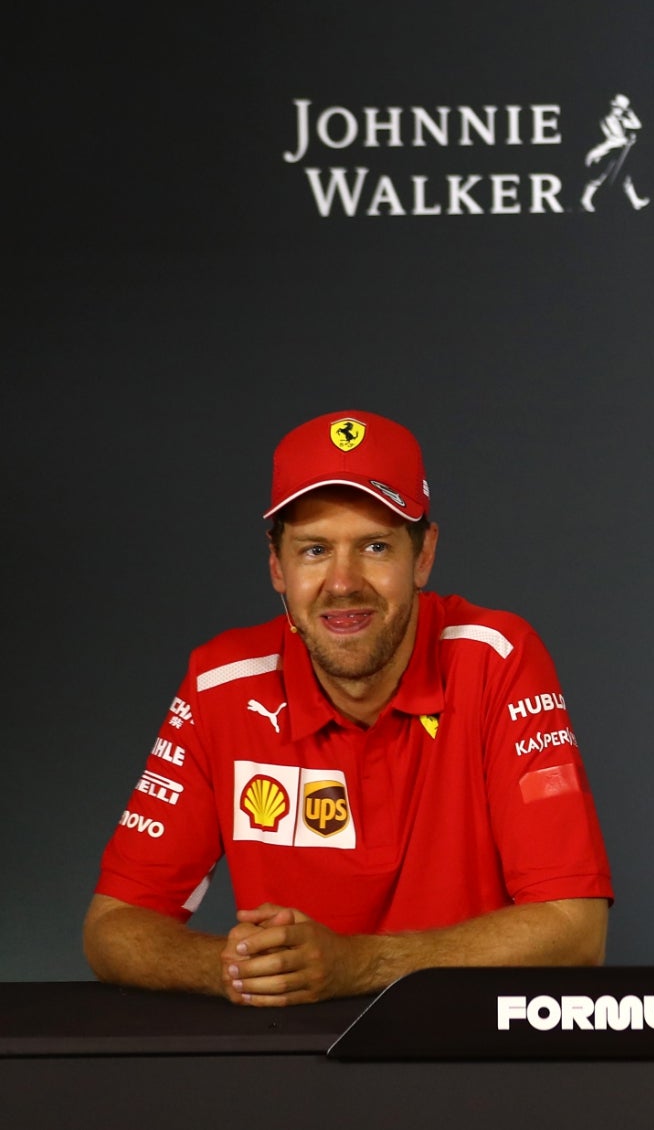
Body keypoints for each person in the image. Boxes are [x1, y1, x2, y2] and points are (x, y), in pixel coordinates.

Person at [85, 411, 612, 1005]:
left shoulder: (497, 657)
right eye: (314, 549)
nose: (342, 583)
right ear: (277, 566)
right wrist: (238, 969)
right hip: (290, 1069)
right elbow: (113, 926)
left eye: (375, 546)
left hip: (464, 1061)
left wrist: (358, 964)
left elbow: (575, 929)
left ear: (424, 556)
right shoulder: (221, 681)